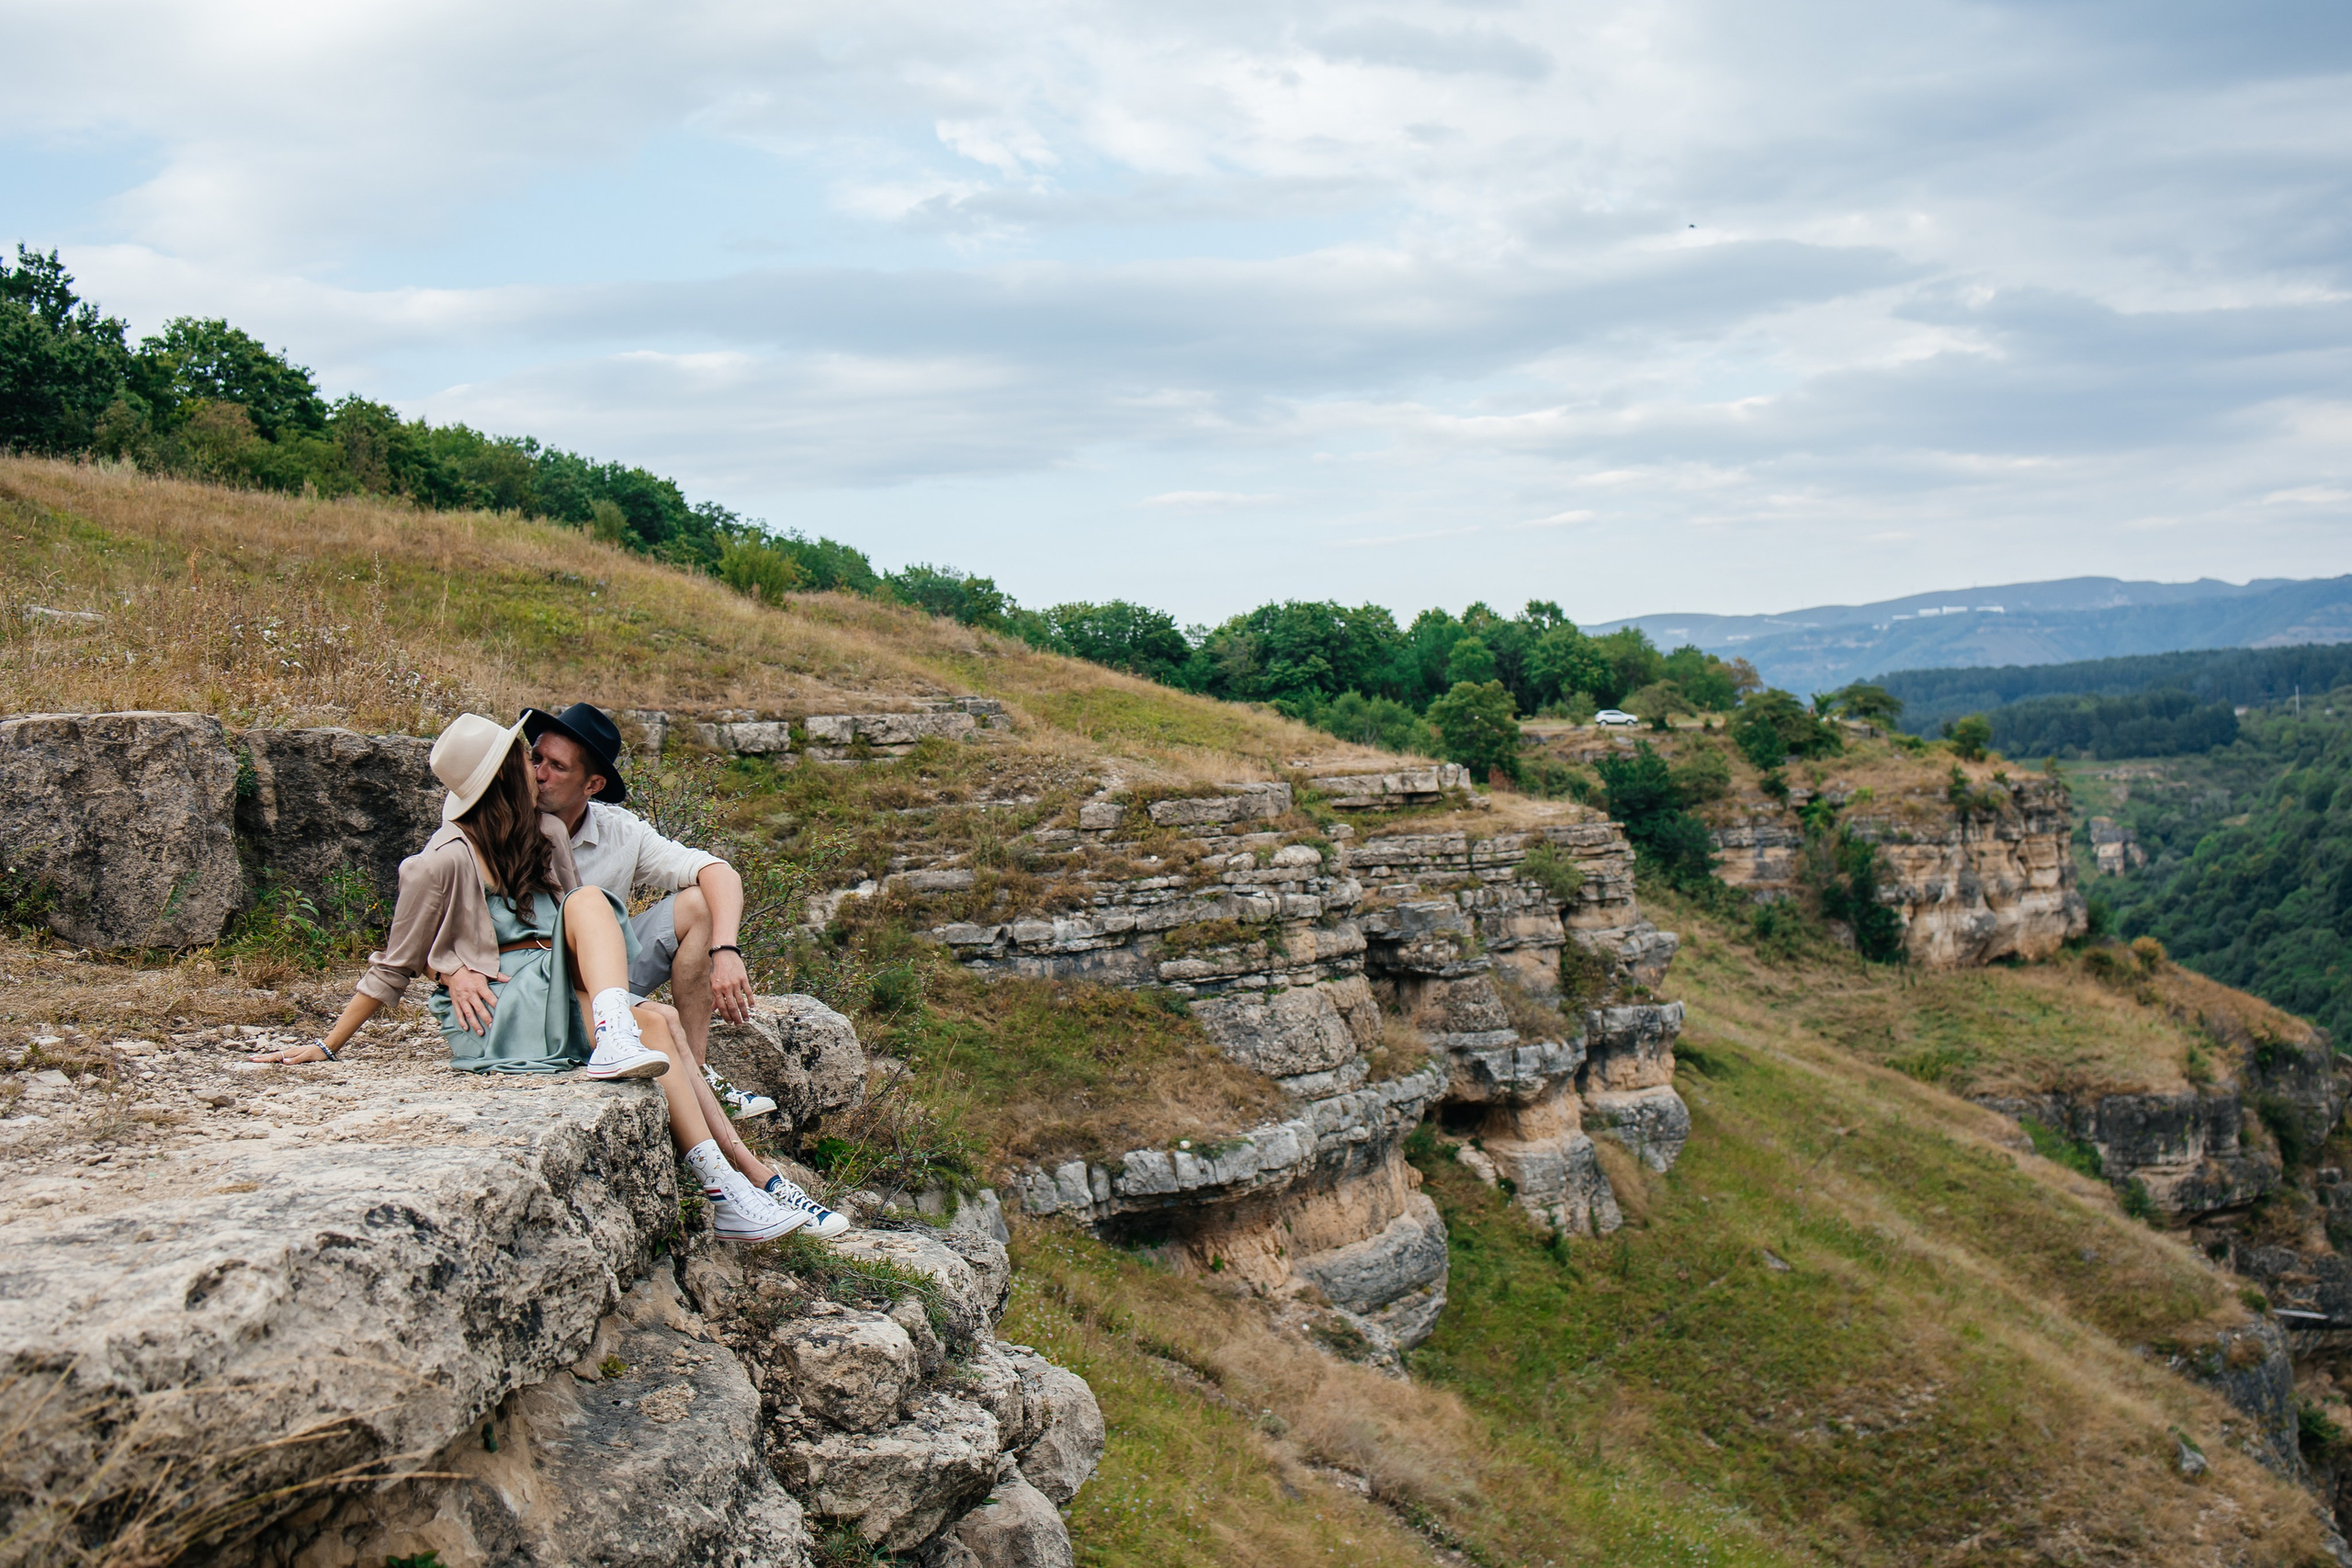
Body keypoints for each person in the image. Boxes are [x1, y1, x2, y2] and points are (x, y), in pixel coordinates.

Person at [248, 713, 811, 1244]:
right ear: (500, 777)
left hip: (550, 981)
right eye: (525, 758)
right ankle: (727, 1172)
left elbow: (573, 924)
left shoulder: (545, 833)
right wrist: (332, 1041)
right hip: (498, 1007)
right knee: (637, 992)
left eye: (544, 760)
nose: (535, 767)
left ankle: (727, 1191)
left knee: (650, 1015)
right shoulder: (439, 860)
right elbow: (395, 963)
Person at [523, 702, 849, 1240]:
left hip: (603, 981)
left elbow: (718, 871)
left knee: (699, 904)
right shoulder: (506, 822)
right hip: (545, 986)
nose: (538, 774)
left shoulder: (618, 831)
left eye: (557, 766)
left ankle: (700, 1073)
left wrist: (727, 951)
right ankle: (753, 1180)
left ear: (594, 783)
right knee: (658, 1020)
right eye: (536, 758)